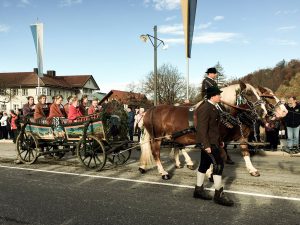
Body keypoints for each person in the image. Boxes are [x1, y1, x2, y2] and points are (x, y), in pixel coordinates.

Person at [194, 86, 234, 206]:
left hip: (213, 141)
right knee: (219, 164)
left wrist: (219, 140)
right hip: (208, 143)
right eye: (219, 95)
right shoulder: (205, 108)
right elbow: (202, 128)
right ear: (213, 96)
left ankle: (198, 190)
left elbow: (214, 128)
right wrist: (206, 145)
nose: (220, 97)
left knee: (204, 165)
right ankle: (218, 194)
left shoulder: (212, 107)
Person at [201, 67, 234, 165]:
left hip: (212, 96)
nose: (216, 75)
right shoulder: (206, 81)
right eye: (214, 74)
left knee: (222, 108)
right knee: (219, 109)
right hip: (207, 98)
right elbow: (210, 91)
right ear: (210, 73)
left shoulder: (212, 81)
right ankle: (224, 121)